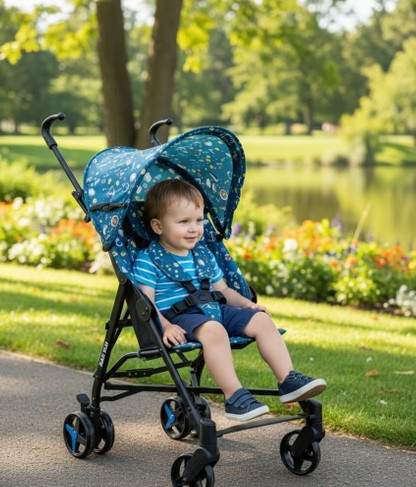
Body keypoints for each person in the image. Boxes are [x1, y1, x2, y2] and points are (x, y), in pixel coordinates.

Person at [134, 179, 326, 422]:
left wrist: (246, 304)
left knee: (261, 320)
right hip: (181, 318)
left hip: (215, 308)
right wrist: (166, 326)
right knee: (213, 330)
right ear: (158, 226)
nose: (194, 229)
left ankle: (287, 379)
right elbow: (146, 303)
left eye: (198, 220)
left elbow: (223, 290)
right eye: (183, 222)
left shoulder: (203, 255)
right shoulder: (148, 260)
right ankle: (234, 396)